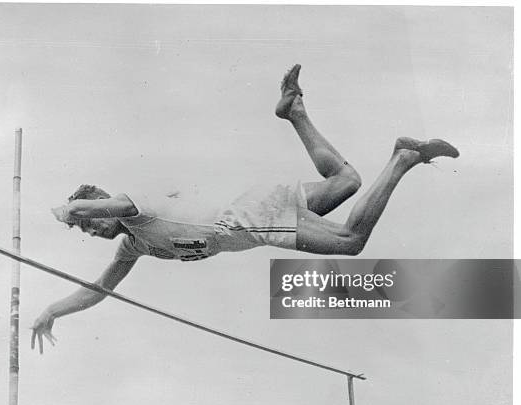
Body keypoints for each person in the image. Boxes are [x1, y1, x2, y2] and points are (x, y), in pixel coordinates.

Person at [31, 64, 459, 353]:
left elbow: (110, 206)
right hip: (252, 207)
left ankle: (403, 157)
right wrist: (52, 310)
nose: (89, 233)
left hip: (245, 219)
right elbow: (99, 289)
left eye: (87, 226)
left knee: (350, 242)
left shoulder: (131, 208)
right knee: (345, 183)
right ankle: (295, 111)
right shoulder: (133, 246)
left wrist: (73, 208)